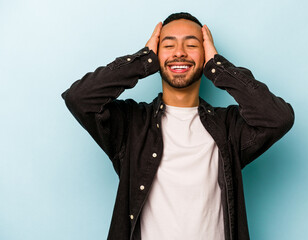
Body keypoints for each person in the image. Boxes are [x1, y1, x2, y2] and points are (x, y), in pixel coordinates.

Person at [62, 12, 294, 240]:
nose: (180, 53)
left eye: (192, 45)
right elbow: (79, 98)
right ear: (156, 54)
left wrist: (219, 67)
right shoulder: (132, 125)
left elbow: (278, 118)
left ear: (205, 56)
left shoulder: (228, 128)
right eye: (168, 45)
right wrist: (142, 61)